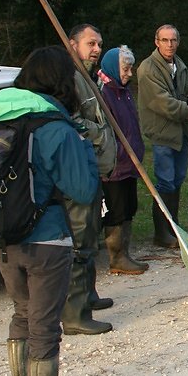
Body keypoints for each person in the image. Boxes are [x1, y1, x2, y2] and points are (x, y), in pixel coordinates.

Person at [0, 46, 99, 376]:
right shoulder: (56, 128)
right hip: (46, 239)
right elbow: (83, 190)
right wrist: (84, 146)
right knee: (45, 323)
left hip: (3, 238)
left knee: (22, 314)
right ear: (61, 82)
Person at [62, 24, 117, 336]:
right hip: (79, 168)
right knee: (80, 240)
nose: (96, 49)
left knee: (91, 233)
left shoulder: (89, 77)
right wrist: (101, 133)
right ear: (73, 44)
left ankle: (89, 295)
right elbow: (72, 121)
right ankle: (75, 315)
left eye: (99, 44)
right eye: (90, 43)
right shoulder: (68, 78)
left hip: (93, 168)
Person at [137, 24, 188, 248]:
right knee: (165, 182)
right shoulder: (147, 68)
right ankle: (161, 232)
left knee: (177, 180)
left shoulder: (179, 65)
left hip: (181, 132)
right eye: (165, 40)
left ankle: (174, 226)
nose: (169, 45)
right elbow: (162, 102)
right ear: (156, 42)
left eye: (173, 40)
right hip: (162, 133)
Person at [98, 45, 149, 275]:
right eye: (125, 69)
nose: (129, 73)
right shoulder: (103, 93)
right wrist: (119, 153)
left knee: (130, 207)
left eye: (130, 68)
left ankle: (125, 253)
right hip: (115, 166)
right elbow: (104, 131)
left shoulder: (123, 91)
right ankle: (116, 257)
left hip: (130, 163)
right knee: (117, 210)